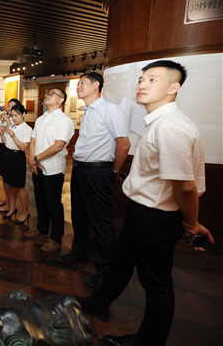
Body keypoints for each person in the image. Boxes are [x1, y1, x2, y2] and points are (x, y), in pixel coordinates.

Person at [79, 60, 214, 346]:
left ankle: (149, 340)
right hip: (142, 211)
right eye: (142, 79)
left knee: (156, 283)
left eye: (153, 79)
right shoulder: (160, 122)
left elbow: (186, 187)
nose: (142, 84)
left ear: (173, 88)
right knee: (120, 262)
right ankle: (98, 303)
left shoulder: (170, 127)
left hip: (156, 217)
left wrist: (191, 223)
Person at [57, 72, 131, 289]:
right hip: (80, 169)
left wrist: (114, 171)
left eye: (82, 83)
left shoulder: (110, 109)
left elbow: (124, 144)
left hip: (99, 171)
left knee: (101, 221)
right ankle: (78, 253)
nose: (78, 87)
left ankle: (105, 269)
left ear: (96, 84)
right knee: (79, 216)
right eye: (78, 84)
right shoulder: (88, 111)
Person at [26, 88, 74, 253]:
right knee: (40, 200)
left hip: (53, 168)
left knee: (53, 204)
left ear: (61, 100)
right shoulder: (41, 119)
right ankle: (41, 228)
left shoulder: (64, 120)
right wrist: (32, 160)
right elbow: (33, 140)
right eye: (47, 93)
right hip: (37, 165)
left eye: (52, 94)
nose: (47, 95)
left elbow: (58, 145)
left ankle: (56, 238)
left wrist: (36, 158)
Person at [0, 103, 32, 224]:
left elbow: (23, 147)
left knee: (20, 187)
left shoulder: (27, 129)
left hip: (18, 157)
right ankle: (12, 208)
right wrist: (2, 135)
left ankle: (25, 213)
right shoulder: (12, 126)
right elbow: (7, 143)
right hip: (8, 155)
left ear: (23, 114)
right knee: (9, 184)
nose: (14, 118)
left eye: (17, 115)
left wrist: (13, 136)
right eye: (12, 115)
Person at [0, 99, 19, 211]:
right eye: (8, 106)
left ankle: (10, 204)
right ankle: (7, 199)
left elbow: (13, 133)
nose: (9, 108)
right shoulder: (4, 118)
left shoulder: (16, 120)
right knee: (3, 176)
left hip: (9, 148)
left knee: (9, 178)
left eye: (12, 106)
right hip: (1, 146)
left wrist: (8, 121)